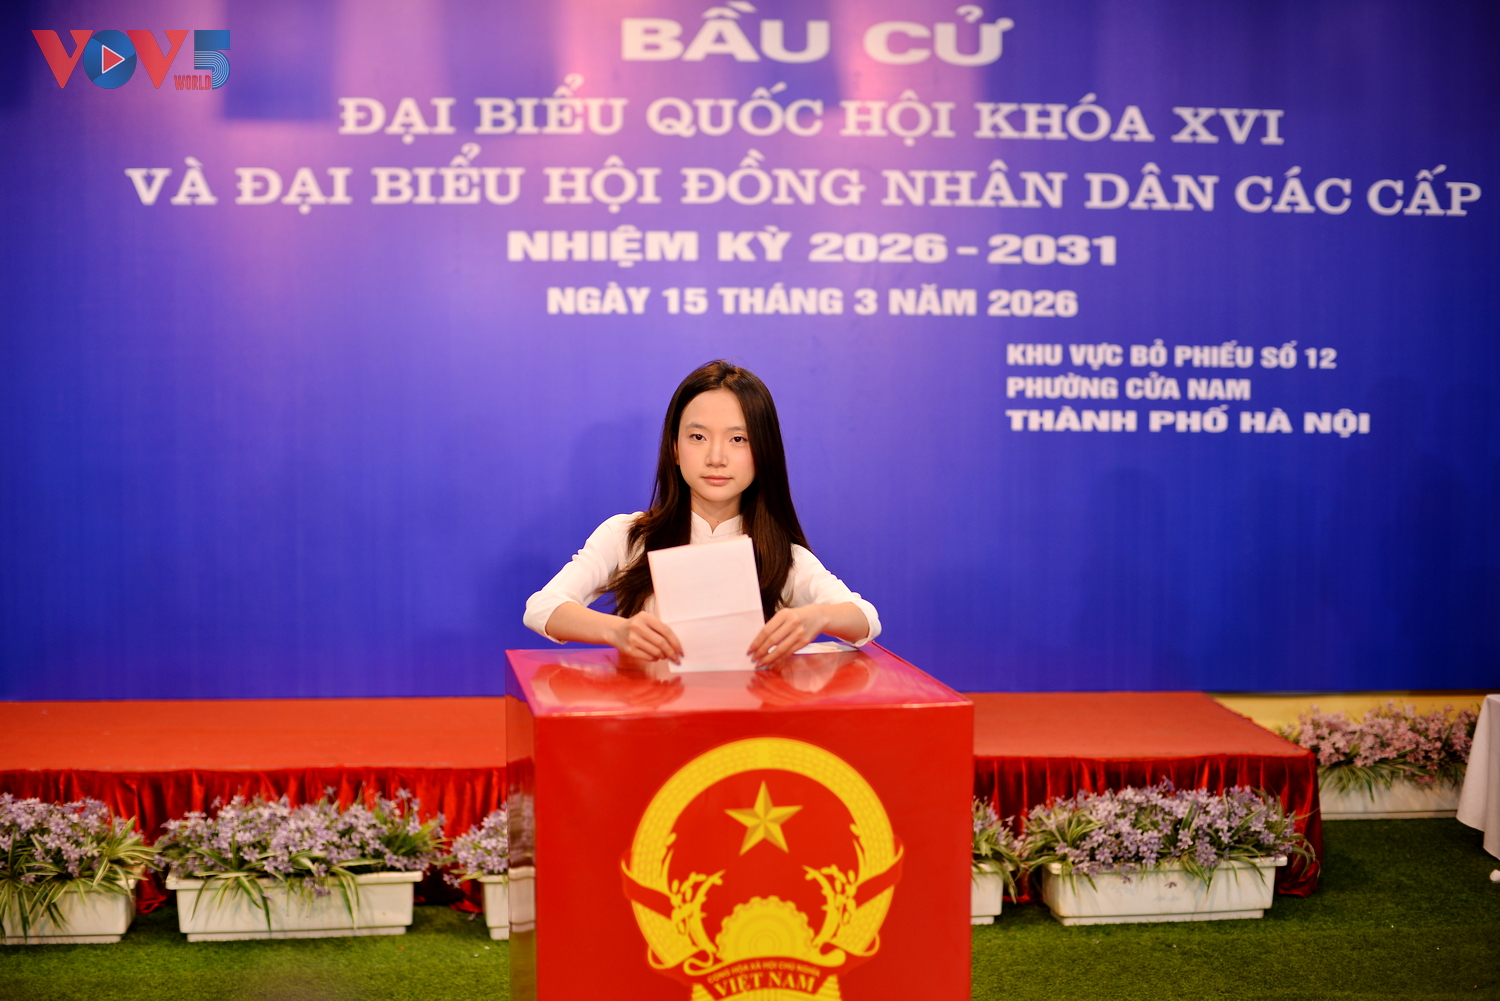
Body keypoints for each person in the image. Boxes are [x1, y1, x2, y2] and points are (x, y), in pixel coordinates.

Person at [523, 360, 880, 668]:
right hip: (650, 716)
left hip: (745, 723)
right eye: (698, 437)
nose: (716, 458)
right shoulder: (628, 535)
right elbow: (542, 607)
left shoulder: (779, 555)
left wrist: (815, 616)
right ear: (675, 449)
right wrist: (617, 631)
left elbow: (865, 619)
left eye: (738, 439)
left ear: (763, 453)